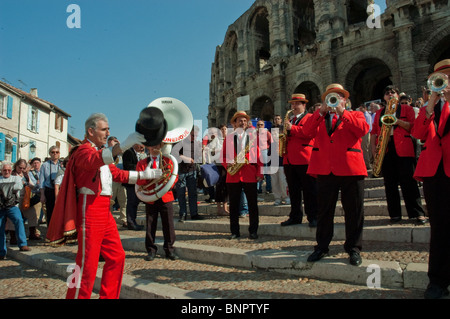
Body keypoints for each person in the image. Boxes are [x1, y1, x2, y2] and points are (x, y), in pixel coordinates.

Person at [46, 112, 163, 299]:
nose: (107, 132)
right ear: (90, 131)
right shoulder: (82, 151)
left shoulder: (100, 154)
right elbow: (95, 160)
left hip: (104, 210)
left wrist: (144, 175)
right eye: (104, 129)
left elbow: (118, 174)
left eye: (108, 129)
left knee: (117, 257)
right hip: (89, 208)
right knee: (86, 264)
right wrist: (123, 145)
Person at [303, 84, 369, 266]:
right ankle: (321, 247)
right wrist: (320, 112)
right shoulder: (319, 117)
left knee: (354, 211)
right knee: (324, 211)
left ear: (345, 100)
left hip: (351, 168)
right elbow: (306, 132)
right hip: (325, 169)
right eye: (330, 97)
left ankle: (354, 248)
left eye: (338, 96)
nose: (334, 99)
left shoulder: (355, 114)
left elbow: (362, 130)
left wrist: (342, 112)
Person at [412, 59, 450, 299]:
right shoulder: (431, 106)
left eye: (446, 77)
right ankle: (437, 280)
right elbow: (417, 133)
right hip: (434, 174)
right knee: (440, 229)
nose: (443, 82)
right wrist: (429, 106)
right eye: (439, 78)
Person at [371, 85, 426, 225]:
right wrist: (374, 152)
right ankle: (394, 214)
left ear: (397, 95)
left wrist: (396, 121)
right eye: (387, 93)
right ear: (384, 97)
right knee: (390, 184)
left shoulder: (407, 109)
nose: (390, 94)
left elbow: (412, 127)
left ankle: (417, 213)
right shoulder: (379, 113)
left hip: (404, 148)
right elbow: (374, 133)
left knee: (409, 182)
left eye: (392, 92)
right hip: (386, 149)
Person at [222, 111, 263, 239]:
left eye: (245, 120)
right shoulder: (228, 138)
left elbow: (259, 157)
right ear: (234, 123)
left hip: (249, 174)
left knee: (252, 205)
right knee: (233, 206)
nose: (243, 122)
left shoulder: (253, 138)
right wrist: (228, 163)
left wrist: (259, 172)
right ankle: (235, 231)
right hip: (233, 175)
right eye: (240, 120)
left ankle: (253, 231)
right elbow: (222, 156)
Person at [281, 94, 318, 227]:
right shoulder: (290, 119)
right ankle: (295, 216)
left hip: (304, 158)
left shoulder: (310, 117)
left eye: (297, 104)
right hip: (289, 160)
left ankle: (313, 216)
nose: (294, 106)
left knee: (309, 190)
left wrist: (293, 129)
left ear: (304, 105)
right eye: (292, 104)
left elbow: (309, 133)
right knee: (293, 190)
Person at [136, 142, 177, 261]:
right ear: (148, 146)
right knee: (150, 225)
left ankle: (170, 250)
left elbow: (174, 175)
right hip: (150, 197)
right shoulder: (142, 163)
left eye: (158, 145)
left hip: (165, 196)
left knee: (169, 224)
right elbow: (139, 180)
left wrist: (168, 185)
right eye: (153, 145)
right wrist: (148, 176)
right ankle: (151, 250)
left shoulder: (168, 160)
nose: (155, 147)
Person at [0, 161, 30, 260]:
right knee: (0, 227)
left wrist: (3, 189)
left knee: (19, 220)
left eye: (9, 170)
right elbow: (14, 187)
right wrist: (9, 188)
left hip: (12, 205)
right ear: (1, 170)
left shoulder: (16, 178)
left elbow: (18, 186)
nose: (7, 172)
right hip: (1, 207)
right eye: (5, 170)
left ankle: (22, 244)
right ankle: (1, 251)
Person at [7, 159, 41, 242]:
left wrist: (36, 186)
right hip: (15, 199)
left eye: (23, 168)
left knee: (32, 214)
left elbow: (31, 184)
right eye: (20, 168)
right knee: (13, 217)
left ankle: (32, 233)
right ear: (16, 166)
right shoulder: (12, 174)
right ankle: (13, 237)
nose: (21, 170)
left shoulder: (25, 174)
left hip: (25, 198)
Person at [174, 126, 204, 221]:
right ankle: (182, 214)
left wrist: (201, 151)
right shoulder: (179, 142)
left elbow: (197, 158)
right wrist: (185, 158)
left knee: (193, 193)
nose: (194, 137)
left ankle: (194, 214)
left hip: (192, 170)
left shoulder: (196, 143)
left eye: (196, 135)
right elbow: (174, 153)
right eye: (192, 135)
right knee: (181, 194)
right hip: (181, 171)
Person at [122, 144, 146, 230]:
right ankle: (131, 223)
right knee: (132, 202)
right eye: (141, 145)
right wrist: (141, 167)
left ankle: (133, 221)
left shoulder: (138, 154)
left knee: (135, 203)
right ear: (135, 144)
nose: (143, 147)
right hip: (131, 182)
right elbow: (128, 166)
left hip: (137, 182)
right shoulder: (128, 152)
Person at [107, 136, 127, 228]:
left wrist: (120, 145)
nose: (115, 143)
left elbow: (126, 153)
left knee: (123, 201)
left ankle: (124, 219)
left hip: (121, 180)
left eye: (116, 141)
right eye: (113, 141)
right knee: (110, 201)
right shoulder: (106, 151)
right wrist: (112, 147)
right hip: (111, 180)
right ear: (109, 142)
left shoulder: (120, 152)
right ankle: (108, 219)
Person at [39, 146, 61, 226]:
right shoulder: (45, 165)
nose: (55, 154)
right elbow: (42, 181)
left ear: (59, 154)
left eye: (56, 152)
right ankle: (50, 231)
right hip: (49, 190)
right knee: (50, 212)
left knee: (60, 212)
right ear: (50, 153)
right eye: (53, 152)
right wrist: (42, 195)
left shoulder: (62, 164)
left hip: (60, 191)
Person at [270, 116, 289, 206]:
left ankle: (286, 197)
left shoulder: (284, 142)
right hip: (273, 163)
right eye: (273, 133)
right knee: (274, 182)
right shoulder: (272, 143)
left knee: (283, 181)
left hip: (282, 163)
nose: (275, 135)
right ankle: (277, 198)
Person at [256, 120, 273, 194]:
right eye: (258, 125)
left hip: (264, 152)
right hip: (256, 153)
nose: (260, 126)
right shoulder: (254, 134)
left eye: (261, 124)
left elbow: (271, 143)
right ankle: (258, 189)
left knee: (266, 171)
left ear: (264, 125)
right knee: (258, 171)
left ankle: (268, 188)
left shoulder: (267, 133)